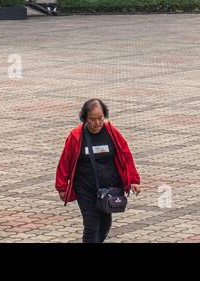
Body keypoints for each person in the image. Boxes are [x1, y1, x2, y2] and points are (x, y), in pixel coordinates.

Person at [55, 98, 141, 244]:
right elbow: (65, 161)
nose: (97, 123)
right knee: (91, 225)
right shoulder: (76, 136)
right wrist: (61, 187)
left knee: (105, 224)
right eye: (92, 119)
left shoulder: (112, 132)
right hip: (85, 189)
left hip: (109, 189)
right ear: (85, 119)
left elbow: (125, 154)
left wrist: (133, 180)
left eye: (100, 118)